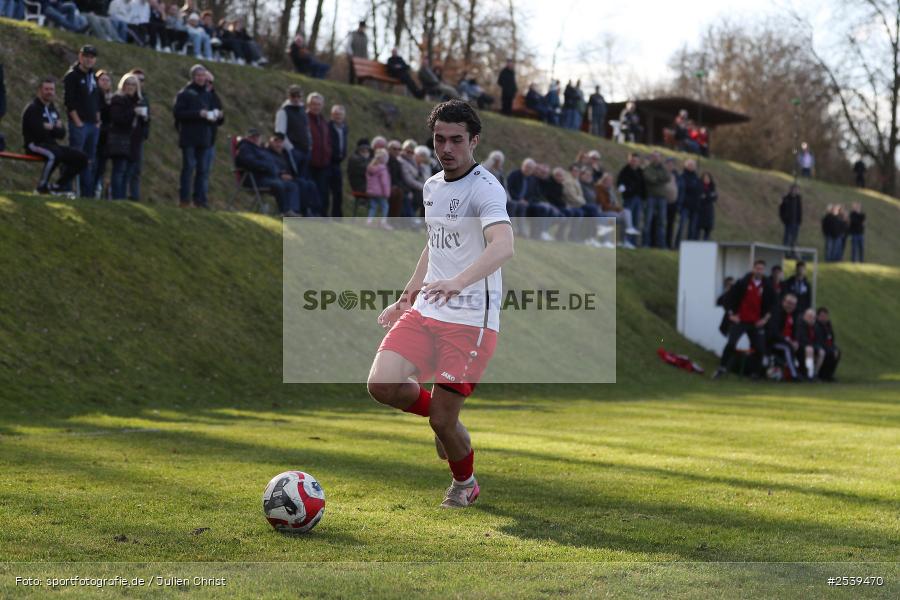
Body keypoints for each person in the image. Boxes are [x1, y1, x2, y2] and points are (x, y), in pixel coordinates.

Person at [366, 99, 513, 509]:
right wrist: (405, 298)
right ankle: (444, 422)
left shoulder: (486, 189)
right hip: (427, 309)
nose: (447, 148)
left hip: (470, 321)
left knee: (443, 420)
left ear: (474, 141)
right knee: (382, 385)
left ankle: (465, 484)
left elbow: (504, 246)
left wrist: (459, 282)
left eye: (456, 140)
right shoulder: (431, 186)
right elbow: (434, 244)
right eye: (439, 139)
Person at [21, 77, 89, 195]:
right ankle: (41, 187)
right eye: (46, 89)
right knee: (54, 155)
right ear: (40, 91)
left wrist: (51, 127)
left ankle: (57, 186)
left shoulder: (52, 109)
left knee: (81, 158)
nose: (49, 92)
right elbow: (36, 131)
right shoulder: (32, 108)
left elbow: (61, 134)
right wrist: (53, 128)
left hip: (52, 145)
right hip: (35, 145)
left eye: (51, 89)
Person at [713, 259, 776, 379]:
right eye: (757, 268)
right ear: (753, 269)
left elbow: (773, 304)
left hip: (756, 322)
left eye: (761, 269)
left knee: (760, 348)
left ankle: (755, 373)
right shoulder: (743, 282)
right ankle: (721, 368)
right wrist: (731, 314)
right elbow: (728, 298)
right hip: (741, 320)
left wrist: (765, 319)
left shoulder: (767, 285)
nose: (759, 271)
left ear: (764, 271)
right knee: (731, 344)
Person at [173, 64, 219, 208]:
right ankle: (184, 200)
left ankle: (200, 201)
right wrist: (198, 114)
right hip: (189, 137)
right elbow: (178, 114)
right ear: (193, 77)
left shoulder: (208, 94)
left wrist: (216, 115)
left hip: (205, 138)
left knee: (202, 170)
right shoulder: (185, 93)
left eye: (203, 75)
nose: (201, 78)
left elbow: (216, 110)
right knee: (188, 168)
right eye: (198, 75)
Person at [234, 128, 301, 216]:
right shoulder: (245, 147)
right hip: (254, 178)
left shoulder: (259, 148)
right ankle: (284, 211)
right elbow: (249, 162)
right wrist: (265, 166)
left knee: (292, 185)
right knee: (278, 185)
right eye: (253, 137)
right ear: (248, 137)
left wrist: (278, 173)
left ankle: (292, 211)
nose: (256, 139)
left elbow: (271, 164)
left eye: (257, 137)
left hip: (267, 177)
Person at [63, 45, 101, 197]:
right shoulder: (72, 76)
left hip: (92, 124)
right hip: (80, 124)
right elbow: (69, 101)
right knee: (75, 158)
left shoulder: (92, 76)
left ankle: (87, 194)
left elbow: (96, 99)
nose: (89, 59)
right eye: (86, 56)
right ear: (80, 57)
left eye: (92, 57)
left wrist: (97, 120)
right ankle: (65, 188)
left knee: (89, 161)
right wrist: (77, 121)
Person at [107, 73, 147, 200]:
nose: (130, 87)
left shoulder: (139, 101)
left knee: (129, 171)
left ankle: (122, 198)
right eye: (128, 84)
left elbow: (144, 123)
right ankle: (116, 197)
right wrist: (133, 112)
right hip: (120, 138)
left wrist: (144, 118)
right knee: (119, 169)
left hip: (134, 140)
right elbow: (117, 118)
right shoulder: (117, 99)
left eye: (133, 84)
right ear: (123, 85)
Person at [266, 133, 321, 216]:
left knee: (310, 184)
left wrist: (291, 175)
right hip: (277, 178)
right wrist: (280, 174)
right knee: (300, 185)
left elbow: (291, 168)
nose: (278, 144)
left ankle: (315, 211)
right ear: (270, 141)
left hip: (289, 177)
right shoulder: (266, 153)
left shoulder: (285, 153)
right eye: (275, 141)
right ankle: (299, 211)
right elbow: (268, 167)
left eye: (280, 142)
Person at [274, 85, 311, 178]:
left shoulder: (303, 110)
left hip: (305, 150)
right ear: (289, 96)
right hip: (293, 152)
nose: (296, 98)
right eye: (293, 96)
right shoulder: (283, 111)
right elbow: (280, 133)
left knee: (303, 180)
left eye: (299, 96)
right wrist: (291, 148)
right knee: (294, 179)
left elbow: (307, 129)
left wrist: (310, 144)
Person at [306, 92, 332, 215]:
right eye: (313, 104)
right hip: (309, 162)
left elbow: (327, 140)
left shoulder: (323, 121)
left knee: (323, 192)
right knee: (310, 191)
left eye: (318, 104)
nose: (316, 107)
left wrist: (328, 153)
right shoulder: (304, 119)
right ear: (308, 105)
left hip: (323, 163)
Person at [766, 293, 800, 381]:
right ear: (783, 302)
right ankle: (794, 375)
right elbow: (774, 333)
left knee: (802, 347)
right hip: (773, 342)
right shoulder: (776, 313)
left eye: (793, 304)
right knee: (787, 348)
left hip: (787, 341)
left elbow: (795, 331)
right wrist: (788, 340)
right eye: (789, 303)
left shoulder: (794, 315)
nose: (790, 306)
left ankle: (807, 374)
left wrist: (795, 341)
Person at [90, 69, 113, 197]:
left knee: (101, 167)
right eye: (102, 79)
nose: (105, 82)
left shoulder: (112, 98)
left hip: (106, 138)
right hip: (96, 134)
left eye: (107, 80)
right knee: (93, 164)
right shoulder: (95, 96)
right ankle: (89, 191)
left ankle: (96, 190)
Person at [641, 151, 670, 248]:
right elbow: (650, 179)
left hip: (662, 198)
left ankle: (661, 244)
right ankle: (645, 243)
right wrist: (659, 179)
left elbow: (667, 177)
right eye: (654, 156)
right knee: (647, 221)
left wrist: (657, 178)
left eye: (658, 157)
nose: (656, 158)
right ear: (652, 158)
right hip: (651, 197)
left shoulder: (663, 168)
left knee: (661, 222)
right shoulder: (648, 168)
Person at [616, 153, 645, 246]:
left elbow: (643, 185)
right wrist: (624, 189)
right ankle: (624, 240)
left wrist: (644, 196)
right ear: (629, 160)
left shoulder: (640, 171)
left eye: (636, 161)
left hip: (638, 199)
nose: (634, 162)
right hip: (629, 198)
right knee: (627, 220)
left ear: (638, 162)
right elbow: (619, 183)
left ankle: (633, 242)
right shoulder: (625, 171)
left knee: (636, 220)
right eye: (632, 160)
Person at [327, 104, 349, 218]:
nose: (338, 117)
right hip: (327, 162)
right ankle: (323, 214)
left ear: (344, 116)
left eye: (340, 114)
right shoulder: (327, 127)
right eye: (335, 114)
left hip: (338, 162)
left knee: (338, 191)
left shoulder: (345, 128)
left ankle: (337, 215)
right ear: (331, 115)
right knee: (325, 190)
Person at [365, 147, 392, 228]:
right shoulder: (382, 169)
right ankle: (383, 222)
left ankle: (369, 221)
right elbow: (384, 183)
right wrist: (386, 193)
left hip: (371, 192)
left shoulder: (370, 167)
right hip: (380, 193)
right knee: (385, 206)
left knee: (373, 207)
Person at [795, 308, 824, 380]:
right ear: (805, 316)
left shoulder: (816, 326)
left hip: (812, 345)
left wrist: (816, 346)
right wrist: (812, 345)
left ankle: (815, 373)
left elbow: (818, 339)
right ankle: (809, 374)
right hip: (801, 346)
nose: (811, 319)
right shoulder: (800, 324)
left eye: (813, 317)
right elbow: (801, 339)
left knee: (822, 352)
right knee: (809, 349)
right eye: (809, 316)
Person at [677, 159, 701, 244]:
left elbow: (699, 191)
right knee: (681, 226)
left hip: (694, 207)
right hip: (684, 206)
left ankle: (690, 245)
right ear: (685, 166)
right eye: (690, 165)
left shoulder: (697, 178)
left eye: (693, 165)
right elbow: (680, 191)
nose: (691, 166)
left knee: (692, 228)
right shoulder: (682, 177)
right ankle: (677, 245)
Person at [816, 307, 840, 382]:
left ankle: (829, 374)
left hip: (828, 345)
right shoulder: (816, 326)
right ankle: (822, 375)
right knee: (829, 353)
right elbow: (819, 340)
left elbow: (831, 338)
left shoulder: (828, 325)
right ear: (818, 316)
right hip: (820, 345)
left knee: (837, 352)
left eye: (825, 316)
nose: (824, 318)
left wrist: (833, 347)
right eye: (822, 316)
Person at [665, 157, 683, 249]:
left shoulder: (677, 176)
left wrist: (678, 202)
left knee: (671, 224)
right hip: (663, 203)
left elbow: (681, 189)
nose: (670, 166)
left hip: (674, 203)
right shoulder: (663, 173)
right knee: (661, 223)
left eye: (672, 164)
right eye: (668, 164)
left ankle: (669, 244)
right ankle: (660, 243)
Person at [779, 184, 802, 253]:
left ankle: (792, 253)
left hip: (796, 223)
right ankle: (785, 252)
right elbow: (781, 209)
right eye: (793, 189)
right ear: (790, 190)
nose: (795, 191)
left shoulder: (798, 199)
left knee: (794, 239)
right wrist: (784, 219)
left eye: (796, 190)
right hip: (788, 222)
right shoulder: (786, 198)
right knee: (787, 238)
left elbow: (800, 210)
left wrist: (799, 220)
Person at [697, 171, 717, 241]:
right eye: (705, 178)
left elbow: (715, 197)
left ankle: (705, 245)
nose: (706, 179)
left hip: (709, 211)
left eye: (708, 178)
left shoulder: (712, 186)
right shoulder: (699, 186)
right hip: (700, 211)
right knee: (697, 231)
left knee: (707, 231)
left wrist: (706, 196)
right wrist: (709, 196)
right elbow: (700, 197)